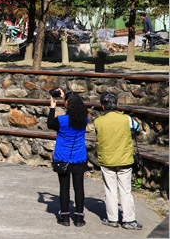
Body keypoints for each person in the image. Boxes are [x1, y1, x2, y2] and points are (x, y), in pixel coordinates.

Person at [94, 92, 143, 230]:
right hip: (125, 160)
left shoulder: (98, 122)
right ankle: (129, 220)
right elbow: (138, 128)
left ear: (103, 107)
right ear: (117, 105)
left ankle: (112, 219)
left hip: (107, 160)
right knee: (126, 191)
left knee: (110, 190)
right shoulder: (127, 119)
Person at [48, 89, 89, 227]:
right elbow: (75, 105)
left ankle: (64, 216)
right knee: (79, 188)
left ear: (66, 104)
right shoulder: (85, 119)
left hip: (63, 158)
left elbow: (49, 124)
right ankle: (79, 217)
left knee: (64, 188)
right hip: (79, 157)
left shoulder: (61, 120)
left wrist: (53, 107)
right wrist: (67, 96)